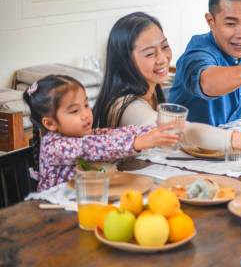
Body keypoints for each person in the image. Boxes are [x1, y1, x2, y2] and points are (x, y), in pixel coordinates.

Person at [93, 12, 241, 154]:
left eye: (164, 46)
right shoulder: (126, 106)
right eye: (149, 54)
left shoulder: (151, 91)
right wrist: (239, 140)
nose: (162, 59)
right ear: (125, 60)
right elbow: (179, 131)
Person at [23, 75, 177, 191]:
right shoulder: (55, 146)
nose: (85, 114)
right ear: (50, 123)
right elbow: (93, 148)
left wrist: (152, 131)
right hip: (57, 213)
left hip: (88, 200)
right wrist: (138, 142)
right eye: (75, 110)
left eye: (85, 105)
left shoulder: (86, 134)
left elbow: (117, 134)